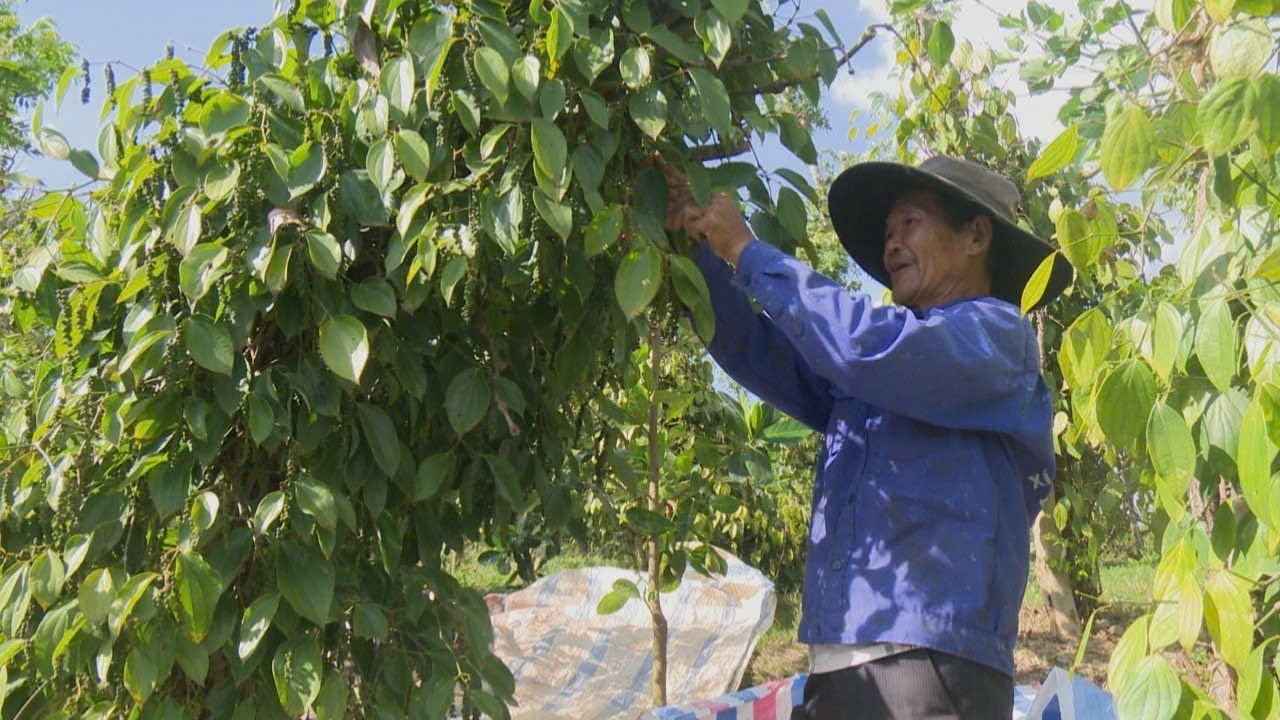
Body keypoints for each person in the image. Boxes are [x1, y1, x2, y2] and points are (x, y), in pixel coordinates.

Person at [661, 155, 1074, 719]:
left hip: (929, 665)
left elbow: (862, 348)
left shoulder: (996, 339)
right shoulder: (882, 369)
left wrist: (747, 251)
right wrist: (697, 253)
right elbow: (754, 349)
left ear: (976, 235)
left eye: (910, 223)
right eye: (887, 233)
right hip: (844, 661)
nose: (892, 245)